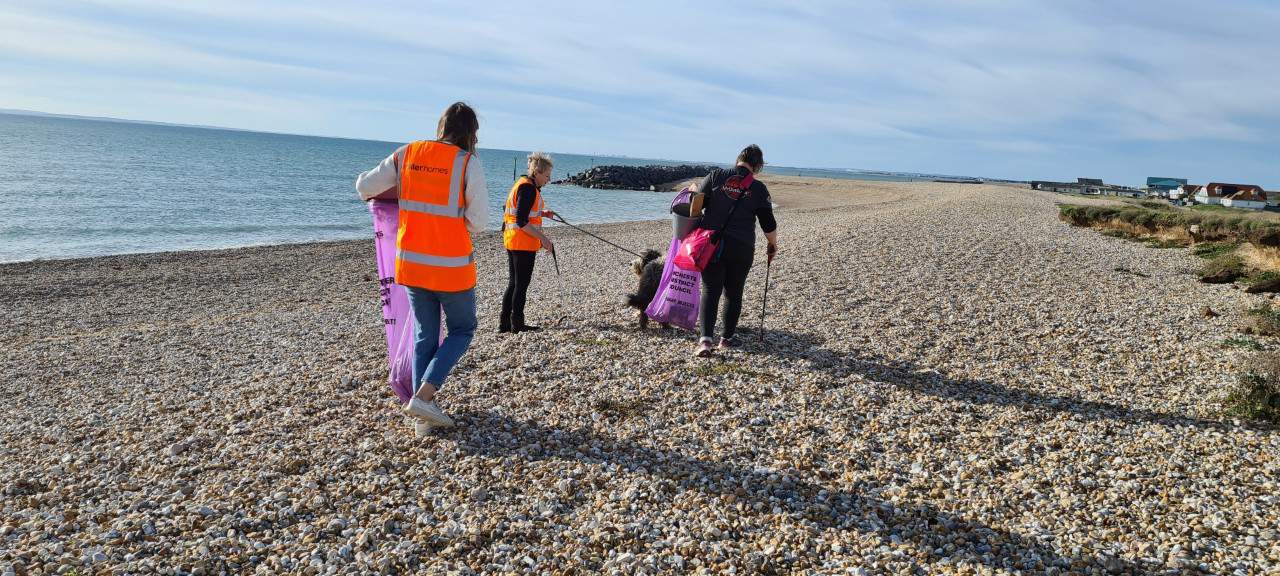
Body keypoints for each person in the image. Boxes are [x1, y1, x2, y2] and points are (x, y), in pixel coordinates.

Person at [355, 102, 489, 429]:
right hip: (451, 267)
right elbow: (479, 221)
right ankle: (425, 397)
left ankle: (422, 421)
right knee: (462, 329)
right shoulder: (466, 163)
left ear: (440, 126)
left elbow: (364, 187)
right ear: (471, 133)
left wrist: (406, 192)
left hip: (412, 265)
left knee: (424, 335)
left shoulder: (407, 154)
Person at [692, 144, 778, 357]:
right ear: (757, 166)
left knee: (710, 290)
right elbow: (768, 223)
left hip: (712, 245)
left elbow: (695, 207)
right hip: (742, 247)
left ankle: (705, 341)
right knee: (733, 292)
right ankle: (726, 340)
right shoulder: (758, 189)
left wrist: (694, 193)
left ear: (737, 159)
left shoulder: (715, 177)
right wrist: (773, 245)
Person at [499, 152, 558, 333]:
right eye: (547, 176)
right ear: (537, 172)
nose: (548, 180)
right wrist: (544, 239)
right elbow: (522, 221)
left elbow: (519, 212)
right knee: (520, 285)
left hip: (513, 241)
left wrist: (543, 213)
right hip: (522, 243)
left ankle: (505, 324)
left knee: (514, 283)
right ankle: (517, 324)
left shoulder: (523, 184)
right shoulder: (528, 188)